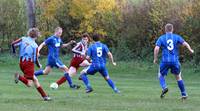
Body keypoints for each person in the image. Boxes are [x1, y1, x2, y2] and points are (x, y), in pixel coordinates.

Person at [153, 23, 194, 99]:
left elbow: (156, 48)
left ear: (165, 30)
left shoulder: (162, 38)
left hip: (165, 61)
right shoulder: (176, 37)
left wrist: (155, 58)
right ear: (172, 29)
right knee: (178, 77)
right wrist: (190, 50)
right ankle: (184, 94)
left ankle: (164, 87)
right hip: (175, 60)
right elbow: (185, 43)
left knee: (160, 75)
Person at [11, 28, 51, 101]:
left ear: (29, 33)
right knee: (29, 84)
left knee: (35, 80)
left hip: (21, 63)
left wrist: (14, 52)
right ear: (36, 36)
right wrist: (39, 65)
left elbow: (13, 44)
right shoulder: (35, 45)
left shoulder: (23, 39)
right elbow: (35, 59)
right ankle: (18, 77)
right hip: (29, 64)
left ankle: (45, 96)